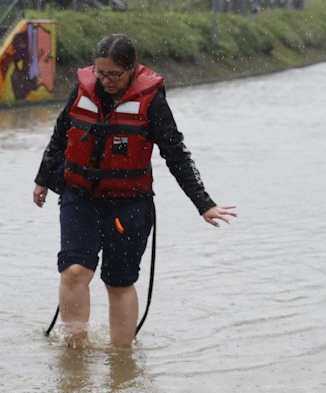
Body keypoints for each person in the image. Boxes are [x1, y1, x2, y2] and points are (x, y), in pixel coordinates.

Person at [33, 33, 235, 346]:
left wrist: (203, 203)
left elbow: (177, 154)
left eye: (113, 74)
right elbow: (61, 135)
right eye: (100, 73)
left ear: (131, 68)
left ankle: (121, 362)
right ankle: (73, 354)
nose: (105, 80)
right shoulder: (83, 89)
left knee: (119, 283)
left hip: (129, 205)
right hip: (80, 196)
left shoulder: (152, 101)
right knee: (73, 270)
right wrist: (43, 178)